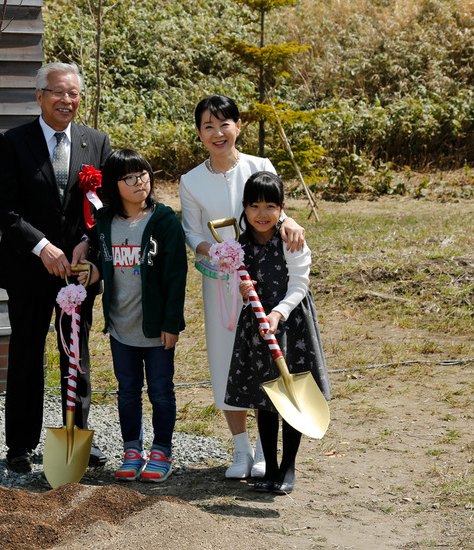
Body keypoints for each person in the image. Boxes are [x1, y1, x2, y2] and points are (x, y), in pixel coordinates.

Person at [0, 62, 111, 473]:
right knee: (26, 353)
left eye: (74, 94)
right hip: (28, 269)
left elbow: (103, 209)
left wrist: (86, 244)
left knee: (75, 355)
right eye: (58, 92)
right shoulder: (13, 142)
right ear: (39, 95)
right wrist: (42, 247)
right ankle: (20, 445)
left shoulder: (97, 142)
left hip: (76, 271)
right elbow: (2, 208)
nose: (67, 100)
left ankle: (76, 436)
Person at [179, 94, 305, 479]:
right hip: (222, 285)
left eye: (224, 124)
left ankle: (267, 450)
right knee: (225, 360)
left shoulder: (259, 165)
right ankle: (240, 448)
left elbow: (274, 206)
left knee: (265, 357)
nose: (218, 133)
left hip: (266, 281)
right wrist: (217, 252)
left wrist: (292, 220)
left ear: (238, 126)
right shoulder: (191, 181)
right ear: (199, 133)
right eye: (208, 126)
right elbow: (192, 232)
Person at [225, 171, 331, 493]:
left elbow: (300, 283)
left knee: (290, 394)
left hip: (291, 326)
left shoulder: (291, 240)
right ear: (244, 208)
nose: (262, 214)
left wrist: (278, 313)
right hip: (257, 329)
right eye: (254, 206)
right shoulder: (238, 246)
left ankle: (288, 467)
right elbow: (235, 288)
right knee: (266, 398)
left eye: (270, 206)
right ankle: (269, 466)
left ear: (282, 208)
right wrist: (242, 289)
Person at [85, 149, 188, 482]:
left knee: (160, 391)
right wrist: (89, 266)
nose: (139, 182)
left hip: (156, 329)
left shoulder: (165, 221)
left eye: (143, 174)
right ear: (114, 186)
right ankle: (132, 449)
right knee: (127, 390)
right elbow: (100, 258)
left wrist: (172, 323)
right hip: (119, 327)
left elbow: (176, 276)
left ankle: (161, 450)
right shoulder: (105, 223)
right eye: (129, 177)